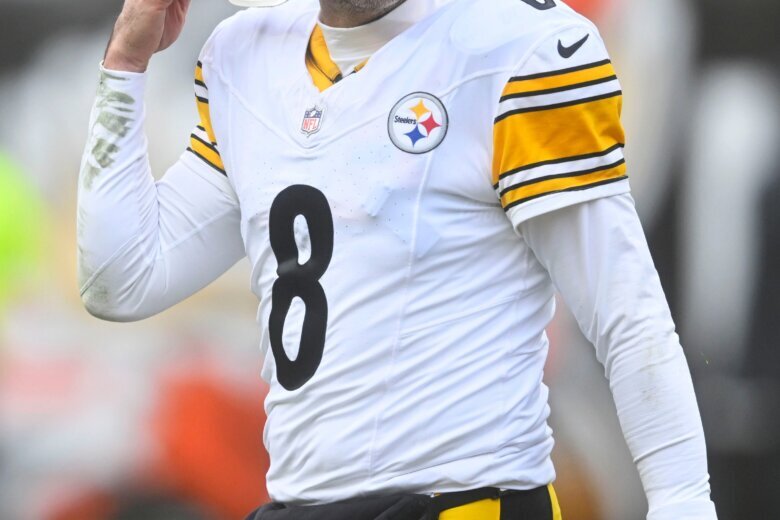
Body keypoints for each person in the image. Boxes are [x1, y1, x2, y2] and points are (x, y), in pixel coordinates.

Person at [77, 0, 718, 518]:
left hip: (462, 500)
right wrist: (126, 64)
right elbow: (121, 279)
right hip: (301, 502)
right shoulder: (249, 55)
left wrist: (683, 501)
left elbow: (626, 314)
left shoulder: (515, 48)